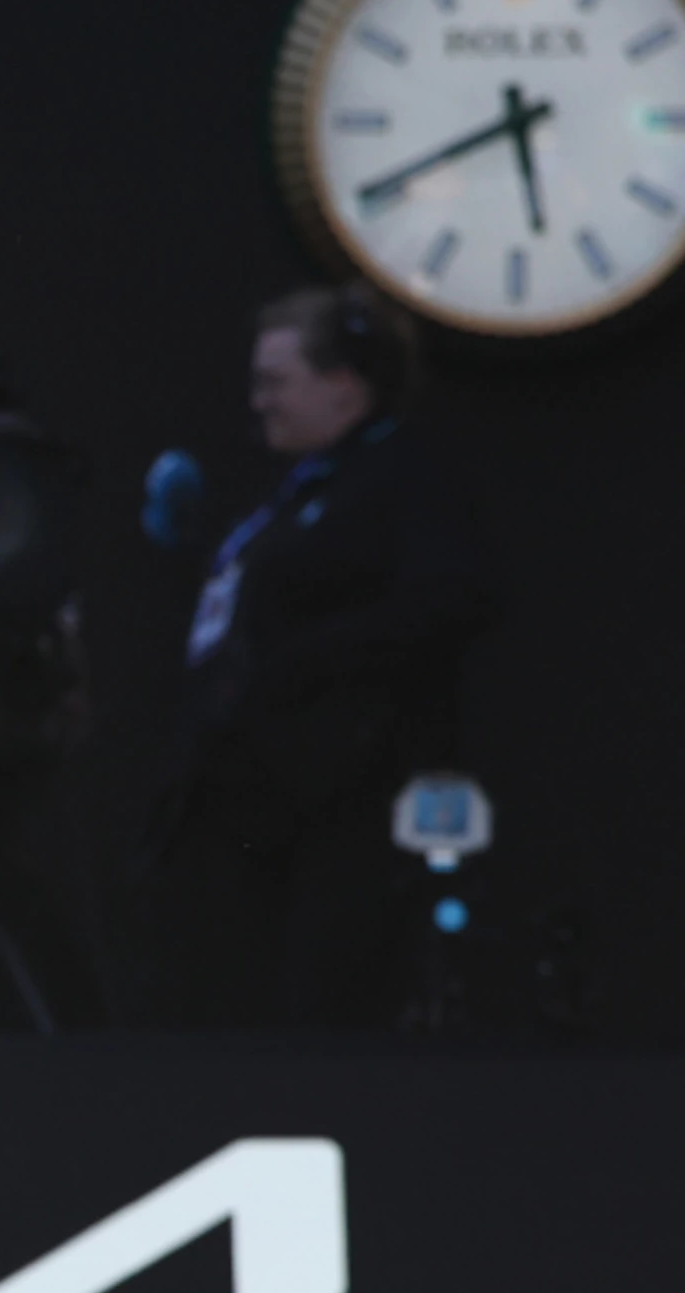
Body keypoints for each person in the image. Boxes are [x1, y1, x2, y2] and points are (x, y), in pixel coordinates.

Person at [144, 284, 492, 1028]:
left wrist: (300, 667)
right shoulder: (289, 492)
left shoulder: (403, 478)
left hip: (340, 804)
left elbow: (452, 597)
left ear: (343, 387)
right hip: (250, 805)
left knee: (321, 1003)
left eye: (277, 383)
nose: (260, 403)